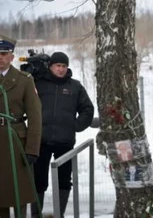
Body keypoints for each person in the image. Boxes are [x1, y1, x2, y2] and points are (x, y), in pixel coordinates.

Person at [31, 51, 94, 218]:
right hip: (41, 141)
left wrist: (76, 126)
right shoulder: (38, 84)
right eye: (57, 66)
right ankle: (36, 214)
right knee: (38, 180)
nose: (61, 69)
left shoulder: (75, 87)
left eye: (64, 66)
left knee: (64, 181)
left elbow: (87, 109)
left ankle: (60, 214)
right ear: (50, 66)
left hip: (65, 142)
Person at [0, 35, 42, 218]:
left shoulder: (24, 80)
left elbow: (35, 116)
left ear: (11, 56)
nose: (0, 58)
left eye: (3, 53)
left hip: (16, 142)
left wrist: (32, 148)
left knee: (19, 194)